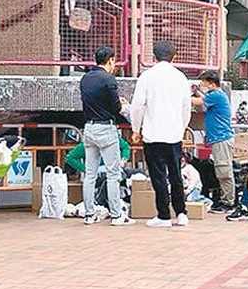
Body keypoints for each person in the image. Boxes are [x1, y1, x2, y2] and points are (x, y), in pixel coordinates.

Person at [131, 40, 191, 228]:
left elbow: (137, 106)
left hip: (153, 133)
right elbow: (186, 107)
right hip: (174, 134)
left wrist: (136, 129)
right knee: (176, 175)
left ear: (154, 56)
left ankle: (163, 215)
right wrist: (181, 128)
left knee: (158, 176)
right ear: (175, 56)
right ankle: (181, 213)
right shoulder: (181, 77)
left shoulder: (147, 76)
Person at [79, 46, 134, 225]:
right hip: (106, 128)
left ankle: (89, 215)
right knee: (113, 173)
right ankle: (117, 215)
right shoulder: (108, 79)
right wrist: (124, 104)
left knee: (90, 174)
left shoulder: (85, 78)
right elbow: (116, 107)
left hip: (89, 128)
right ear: (110, 60)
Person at [191, 70, 236, 213]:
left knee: (224, 171)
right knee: (220, 169)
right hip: (218, 138)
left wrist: (181, 95)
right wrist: (197, 92)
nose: (202, 85)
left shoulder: (216, 95)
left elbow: (198, 102)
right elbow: (203, 98)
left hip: (221, 138)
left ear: (211, 83)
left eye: (203, 82)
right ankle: (225, 199)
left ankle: (228, 202)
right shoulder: (216, 95)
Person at [58, 0, 96, 76]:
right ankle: (64, 76)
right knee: (64, 52)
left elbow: (93, 6)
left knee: (86, 52)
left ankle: (89, 76)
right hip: (66, 22)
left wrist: (89, 23)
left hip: (82, 23)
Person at [65, 136, 131, 172]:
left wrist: (123, 160)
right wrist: (85, 169)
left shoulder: (114, 137)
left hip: (115, 170)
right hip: (98, 174)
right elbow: (69, 157)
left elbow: (126, 147)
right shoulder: (87, 143)